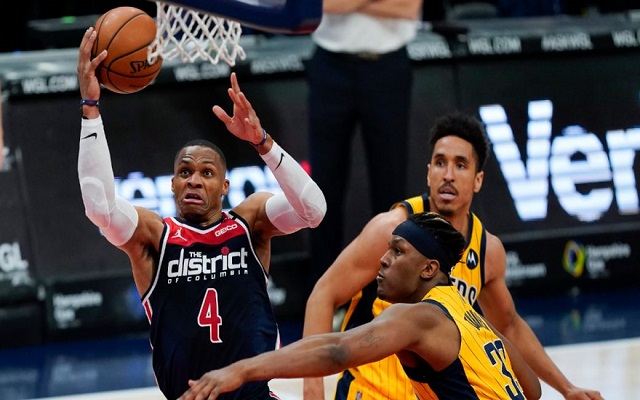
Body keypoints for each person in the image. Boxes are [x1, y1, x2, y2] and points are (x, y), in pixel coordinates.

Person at [76, 27, 326, 400]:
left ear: (225, 186)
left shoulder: (250, 223)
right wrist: (91, 108)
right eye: (185, 172)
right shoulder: (155, 236)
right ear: (173, 185)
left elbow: (314, 211)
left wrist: (263, 142)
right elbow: (99, 205)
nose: (194, 179)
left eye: (207, 173)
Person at [302, 113, 604, 400]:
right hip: (371, 392)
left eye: (460, 165)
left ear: (478, 180)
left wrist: (566, 388)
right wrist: (312, 392)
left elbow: (508, 326)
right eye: (440, 163)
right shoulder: (391, 228)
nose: (448, 175)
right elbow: (323, 294)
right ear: (428, 173)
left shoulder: (487, 249)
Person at [179, 212, 542, 400]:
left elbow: (337, 350)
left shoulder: (421, 316)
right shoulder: (470, 315)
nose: (383, 260)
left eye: (398, 251)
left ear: (429, 269)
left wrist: (242, 370)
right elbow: (533, 389)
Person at [307, 0, 423, 287]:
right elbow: (321, 5)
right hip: (330, 66)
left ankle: (388, 292)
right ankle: (324, 293)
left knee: (390, 186)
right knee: (322, 189)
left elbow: (408, 7)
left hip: (388, 67)